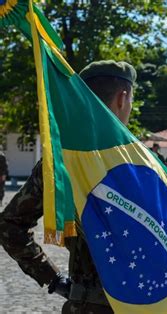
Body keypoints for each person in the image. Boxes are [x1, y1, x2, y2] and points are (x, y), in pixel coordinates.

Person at [0, 60, 137, 313]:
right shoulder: (144, 165)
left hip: (84, 305)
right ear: (122, 98)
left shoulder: (59, 163)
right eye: (131, 101)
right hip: (146, 304)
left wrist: (51, 277)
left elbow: (10, 225)